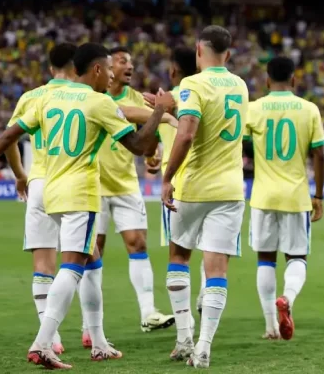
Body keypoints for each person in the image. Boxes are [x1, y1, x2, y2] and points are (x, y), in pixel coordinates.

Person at [0, 43, 174, 369]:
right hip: (80, 194)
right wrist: (162, 112)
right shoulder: (99, 102)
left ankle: (99, 342)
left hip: (48, 190)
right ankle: (43, 342)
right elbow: (137, 145)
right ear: (95, 70)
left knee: (88, 263)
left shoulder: (47, 97)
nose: (110, 76)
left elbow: (10, 135)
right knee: (74, 266)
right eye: (108, 69)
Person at [161, 26, 249, 368]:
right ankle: (204, 346)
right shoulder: (240, 85)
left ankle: (184, 337)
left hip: (194, 187)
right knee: (217, 271)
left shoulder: (192, 85)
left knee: (179, 256)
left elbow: (185, 135)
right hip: (229, 190)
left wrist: (167, 177)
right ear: (227, 54)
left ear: (199, 50)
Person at [82, 46, 173, 341]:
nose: (129, 66)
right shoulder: (93, 97)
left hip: (123, 182)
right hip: (92, 182)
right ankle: (89, 326)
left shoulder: (138, 99)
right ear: (107, 66)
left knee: (138, 243)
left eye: (131, 62)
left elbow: (150, 138)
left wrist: (151, 155)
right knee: (92, 251)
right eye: (122, 62)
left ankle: (148, 312)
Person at [244, 57, 324, 341]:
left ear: (267, 81)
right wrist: (318, 195)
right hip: (296, 196)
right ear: (294, 80)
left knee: (265, 259)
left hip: (263, 195)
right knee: (297, 257)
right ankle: (287, 298)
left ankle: (270, 327)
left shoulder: (252, 109)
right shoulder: (309, 110)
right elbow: (320, 154)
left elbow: (239, 147)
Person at [5, 42, 78, 356]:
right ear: (77, 66)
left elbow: (10, 138)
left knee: (43, 264)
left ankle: (52, 338)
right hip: (74, 184)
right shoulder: (85, 97)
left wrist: (21, 173)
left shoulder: (32, 97)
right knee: (81, 259)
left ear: (50, 69)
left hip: (39, 183)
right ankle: (94, 333)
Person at [143, 46, 208, 314]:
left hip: (178, 183)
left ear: (173, 70)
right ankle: (207, 291)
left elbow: (153, 138)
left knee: (179, 255)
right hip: (214, 179)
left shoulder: (167, 99)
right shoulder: (209, 93)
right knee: (212, 247)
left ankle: (184, 325)